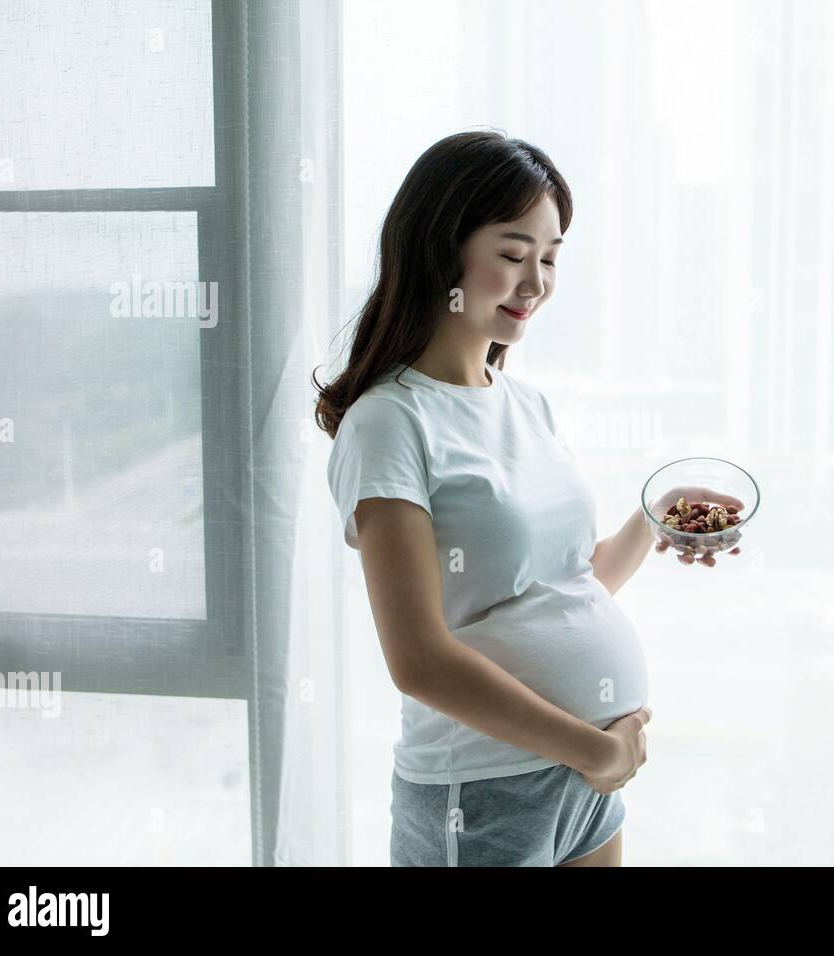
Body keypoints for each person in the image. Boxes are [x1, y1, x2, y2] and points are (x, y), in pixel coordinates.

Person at [313, 129, 739, 867]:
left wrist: (658, 515)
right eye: (513, 255)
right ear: (440, 250)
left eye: (550, 257)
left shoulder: (526, 405)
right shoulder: (390, 423)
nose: (536, 283)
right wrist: (593, 749)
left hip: (585, 785)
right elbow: (417, 658)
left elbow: (560, 587)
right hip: (481, 797)